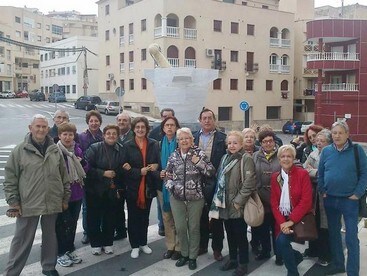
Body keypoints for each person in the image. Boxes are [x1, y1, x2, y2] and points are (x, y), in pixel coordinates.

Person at [3, 114, 70, 276]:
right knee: (22, 240)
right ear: (30, 128)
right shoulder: (20, 150)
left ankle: (48, 267)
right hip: (28, 202)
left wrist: (65, 197)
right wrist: (13, 202)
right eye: (38, 126)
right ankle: (12, 272)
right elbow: (10, 177)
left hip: (52, 200)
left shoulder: (55, 149)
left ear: (48, 129)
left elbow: (64, 175)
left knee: (50, 237)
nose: (41, 129)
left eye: (44, 127)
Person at [318, 121, 367, 276]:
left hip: (349, 201)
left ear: (347, 134)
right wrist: (323, 190)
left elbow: (365, 174)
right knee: (334, 234)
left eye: (340, 132)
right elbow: (320, 173)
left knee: (351, 238)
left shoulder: (357, 151)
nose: (337, 136)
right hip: (330, 199)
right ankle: (339, 264)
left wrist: (357, 194)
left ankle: (353, 271)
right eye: (334, 133)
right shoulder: (326, 151)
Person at [165, 127, 216, 270]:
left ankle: (192, 257)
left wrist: (198, 162)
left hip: (196, 197)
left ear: (192, 140)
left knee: (193, 228)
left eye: (187, 138)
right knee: (181, 227)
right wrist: (171, 187)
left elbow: (211, 171)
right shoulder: (174, 155)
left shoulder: (199, 153)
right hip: (177, 197)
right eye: (181, 139)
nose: (184, 141)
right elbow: (168, 174)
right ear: (178, 141)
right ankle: (184, 254)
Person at [209, 131, 256, 276]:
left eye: (235, 143)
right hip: (224, 204)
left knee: (240, 235)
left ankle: (243, 263)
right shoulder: (224, 157)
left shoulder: (246, 159)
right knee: (229, 233)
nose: (232, 145)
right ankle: (233, 259)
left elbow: (249, 183)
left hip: (237, 204)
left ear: (241, 144)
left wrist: (238, 202)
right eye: (229, 143)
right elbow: (219, 178)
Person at [270, 145, 313, 276]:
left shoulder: (302, 174)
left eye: (289, 156)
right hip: (282, 220)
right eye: (283, 156)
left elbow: (306, 201)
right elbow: (274, 203)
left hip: (299, 218)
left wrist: (291, 221)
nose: (286, 159)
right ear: (279, 159)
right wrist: (283, 223)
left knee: (282, 241)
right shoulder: (275, 177)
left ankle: (293, 273)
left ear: (294, 158)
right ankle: (297, 257)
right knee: (279, 246)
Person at [122, 117, 161, 258]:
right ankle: (134, 245)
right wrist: (138, 172)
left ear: (146, 129)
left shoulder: (154, 144)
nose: (140, 129)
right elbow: (124, 167)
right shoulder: (127, 145)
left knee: (144, 217)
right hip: (133, 187)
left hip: (148, 186)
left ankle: (143, 243)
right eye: (137, 127)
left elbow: (158, 162)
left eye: (142, 127)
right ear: (133, 129)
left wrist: (156, 166)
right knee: (133, 217)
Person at [84, 124, 125, 255]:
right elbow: (86, 168)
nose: (111, 136)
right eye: (109, 133)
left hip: (112, 190)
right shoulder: (94, 148)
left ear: (117, 136)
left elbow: (122, 168)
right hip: (94, 190)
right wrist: (102, 173)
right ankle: (95, 243)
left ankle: (108, 242)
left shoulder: (121, 149)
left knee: (110, 217)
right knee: (93, 218)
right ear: (104, 135)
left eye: (114, 134)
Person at [193, 108, 226, 261]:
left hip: (216, 182)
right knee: (200, 216)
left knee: (216, 218)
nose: (207, 121)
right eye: (204, 118)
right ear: (200, 120)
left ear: (214, 120)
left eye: (209, 118)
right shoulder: (193, 138)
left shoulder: (222, 138)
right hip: (197, 182)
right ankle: (202, 245)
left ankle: (217, 249)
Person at [55, 123, 86, 267]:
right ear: (59, 136)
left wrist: (83, 162)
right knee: (62, 224)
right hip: (62, 195)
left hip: (77, 193)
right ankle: (61, 252)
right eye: (64, 134)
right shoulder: (55, 152)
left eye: (70, 134)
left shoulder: (77, 150)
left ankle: (69, 249)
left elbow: (85, 169)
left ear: (74, 136)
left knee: (72, 223)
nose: (68, 137)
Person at [303, 129, 332, 266]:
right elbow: (304, 169)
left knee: (324, 226)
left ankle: (325, 254)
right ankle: (312, 249)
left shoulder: (331, 154)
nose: (318, 143)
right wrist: (313, 172)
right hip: (313, 194)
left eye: (322, 141)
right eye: (317, 140)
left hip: (325, 195)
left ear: (329, 142)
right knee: (312, 222)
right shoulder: (313, 153)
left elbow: (327, 174)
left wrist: (312, 172)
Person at [252, 130, 282, 265]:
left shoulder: (281, 154)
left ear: (274, 141)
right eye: (264, 141)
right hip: (261, 198)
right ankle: (265, 251)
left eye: (270, 141)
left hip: (279, 199)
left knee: (278, 228)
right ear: (261, 143)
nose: (268, 144)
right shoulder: (255, 156)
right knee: (263, 228)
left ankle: (279, 254)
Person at [157, 116, 182, 260]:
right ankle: (170, 246)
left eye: (172, 125)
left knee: (179, 218)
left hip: (179, 186)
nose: (170, 128)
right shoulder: (159, 144)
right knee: (167, 218)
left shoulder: (182, 143)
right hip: (163, 186)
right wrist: (158, 172)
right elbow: (154, 163)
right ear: (163, 128)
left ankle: (179, 247)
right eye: (167, 125)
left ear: (176, 127)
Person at [78, 110, 104, 245]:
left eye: (96, 121)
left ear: (100, 122)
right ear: (87, 122)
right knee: (87, 207)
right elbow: (79, 155)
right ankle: (87, 232)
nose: (94, 123)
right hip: (86, 177)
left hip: (101, 177)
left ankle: (99, 229)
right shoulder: (81, 137)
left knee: (100, 206)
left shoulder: (104, 136)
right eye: (91, 121)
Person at [149, 107, 175, 236]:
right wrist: (157, 171)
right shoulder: (154, 134)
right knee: (161, 206)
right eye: (164, 117)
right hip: (161, 180)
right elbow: (152, 161)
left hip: (178, 183)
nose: (167, 121)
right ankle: (162, 226)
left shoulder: (181, 139)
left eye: (169, 118)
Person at [113, 112, 133, 241]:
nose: (121, 122)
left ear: (129, 122)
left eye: (124, 120)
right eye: (119, 120)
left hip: (131, 178)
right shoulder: (113, 135)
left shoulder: (134, 135)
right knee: (117, 208)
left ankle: (133, 232)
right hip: (117, 179)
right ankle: (120, 231)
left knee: (132, 208)